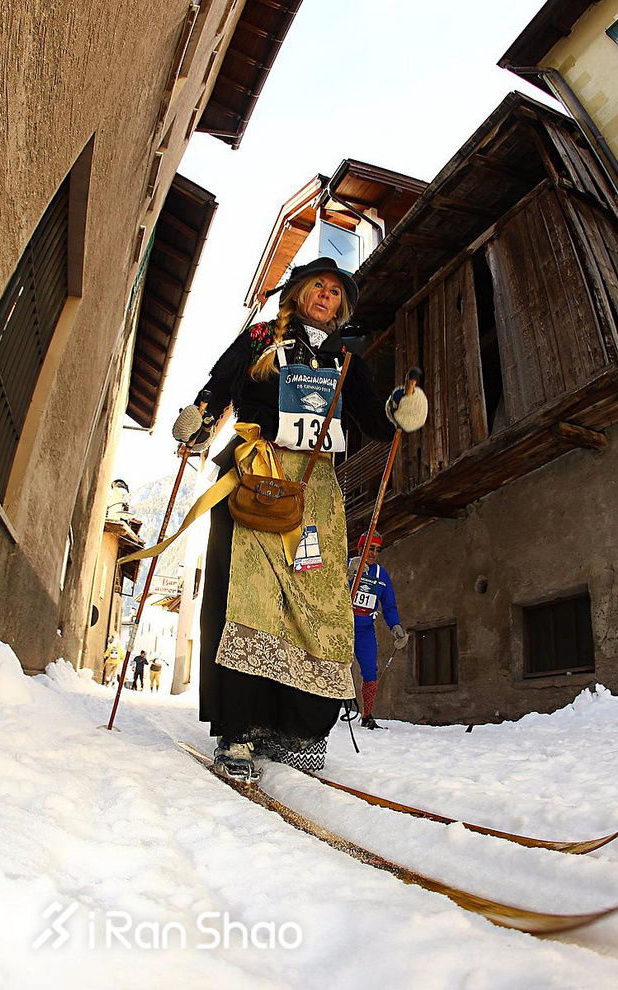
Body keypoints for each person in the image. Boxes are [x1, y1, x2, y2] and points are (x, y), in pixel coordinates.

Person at [172, 257, 428, 782]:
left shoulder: (346, 356)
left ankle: (298, 731)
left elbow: (374, 420)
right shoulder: (262, 337)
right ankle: (239, 730)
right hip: (257, 481)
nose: (326, 297)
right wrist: (199, 416)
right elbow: (219, 386)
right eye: (319, 286)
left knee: (314, 608)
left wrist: (401, 412)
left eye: (336, 293)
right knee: (253, 602)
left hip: (316, 495)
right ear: (298, 290)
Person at [348, 531, 409, 729]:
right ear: (360, 548)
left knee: (370, 671)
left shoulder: (381, 575)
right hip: (342, 626)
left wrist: (396, 627)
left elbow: (389, 605)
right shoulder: (348, 565)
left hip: (365, 629)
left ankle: (367, 715)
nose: (373, 553)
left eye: (377, 549)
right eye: (369, 548)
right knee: (336, 668)